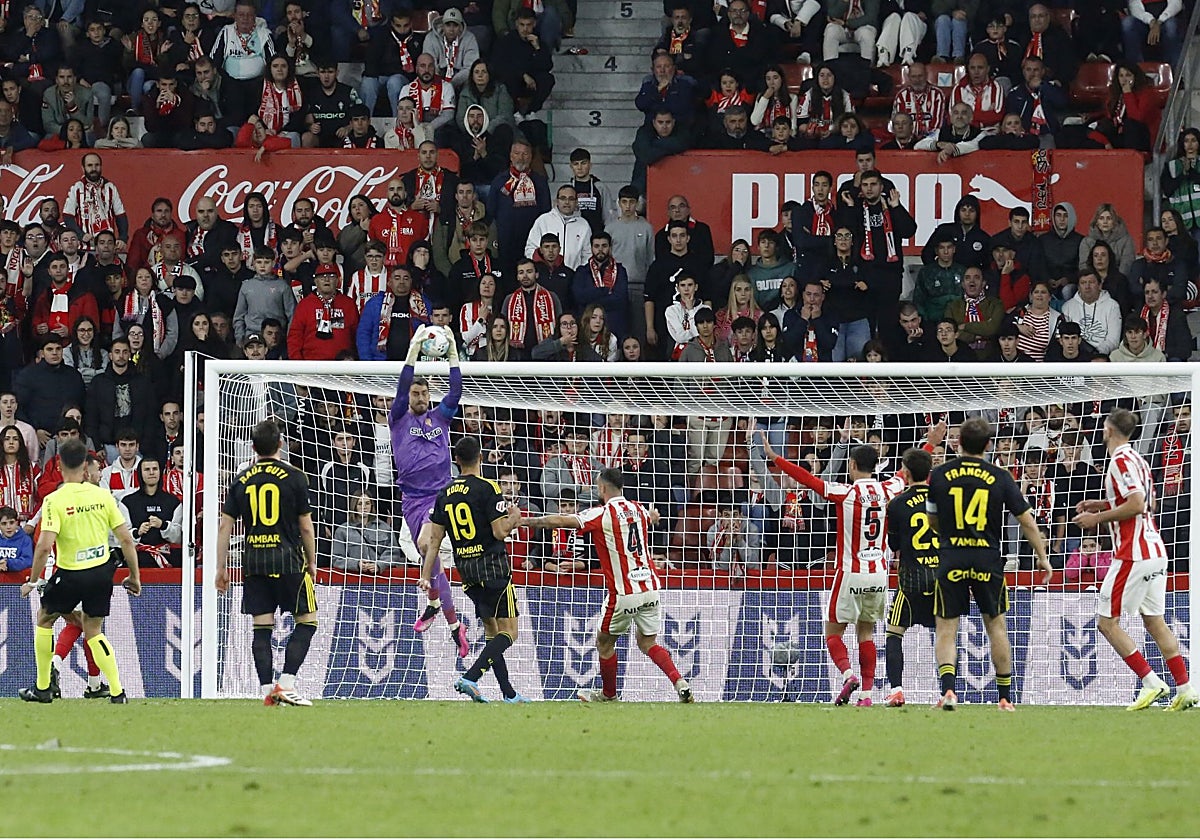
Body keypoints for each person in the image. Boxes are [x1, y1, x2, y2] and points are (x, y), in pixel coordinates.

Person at [763, 424, 942, 706]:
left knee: (833, 633)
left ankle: (848, 675)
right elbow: (908, 472)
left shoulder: (844, 492)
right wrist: (929, 444)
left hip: (850, 573)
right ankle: (867, 695)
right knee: (867, 632)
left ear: (853, 465)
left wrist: (776, 458)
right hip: (878, 575)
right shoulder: (888, 488)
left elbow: (808, 480)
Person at [525, 467, 694, 703]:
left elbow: (561, 519)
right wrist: (654, 517)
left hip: (624, 592)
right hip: (651, 586)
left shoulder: (601, 513)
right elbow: (651, 517)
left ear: (602, 488)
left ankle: (609, 694)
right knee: (648, 643)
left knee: (604, 644)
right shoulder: (638, 508)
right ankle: (679, 681)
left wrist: (523, 520)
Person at [1071, 407, 1196, 711]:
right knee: (1154, 621)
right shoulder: (1139, 459)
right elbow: (1148, 500)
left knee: (1106, 623)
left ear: (1108, 430)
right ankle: (1187, 688)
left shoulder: (1120, 460)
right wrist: (1101, 502)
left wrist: (1096, 516)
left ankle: (1151, 682)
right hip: (1155, 551)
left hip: (1133, 553)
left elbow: (1138, 504)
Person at [927, 416, 1051, 711]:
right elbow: (1027, 521)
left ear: (958, 443)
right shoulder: (1000, 476)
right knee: (996, 626)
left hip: (952, 556)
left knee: (946, 627)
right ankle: (1005, 698)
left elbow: (932, 520)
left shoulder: (941, 474)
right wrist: (1042, 557)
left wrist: (949, 536)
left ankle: (948, 692)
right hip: (987, 558)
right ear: (988, 445)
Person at [18, 438, 140, 704]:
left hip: (71, 573)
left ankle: (42, 688)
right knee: (93, 629)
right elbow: (126, 539)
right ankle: (117, 692)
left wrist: (33, 580)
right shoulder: (102, 495)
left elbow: (43, 546)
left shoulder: (55, 499)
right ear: (86, 465)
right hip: (100, 573)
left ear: (59, 464)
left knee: (44, 618)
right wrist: (135, 576)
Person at [216, 419, 317, 707]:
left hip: (255, 563)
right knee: (307, 622)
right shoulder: (295, 477)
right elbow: (306, 527)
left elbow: (225, 527)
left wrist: (220, 568)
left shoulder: (241, 480)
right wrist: (311, 560)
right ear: (280, 444)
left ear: (252, 447)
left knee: (262, 628)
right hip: (288, 561)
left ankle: (267, 691)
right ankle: (285, 683)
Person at [421, 436, 524, 702]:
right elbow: (500, 532)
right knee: (509, 632)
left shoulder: (444, 493)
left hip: (466, 570)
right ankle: (471, 677)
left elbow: (434, 541)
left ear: (456, 461)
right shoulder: (489, 487)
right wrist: (515, 518)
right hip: (493, 568)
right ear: (480, 458)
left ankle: (509, 694)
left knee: (492, 633)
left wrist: (424, 574)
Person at [392, 326, 469, 658]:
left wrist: (452, 350)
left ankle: (438, 607)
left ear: (429, 395)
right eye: (415, 394)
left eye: (424, 394)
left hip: (441, 496)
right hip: (412, 499)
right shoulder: (398, 417)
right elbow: (402, 379)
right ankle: (449, 619)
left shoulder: (441, 417)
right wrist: (413, 348)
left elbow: (457, 390)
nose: (420, 398)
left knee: (427, 545)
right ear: (409, 397)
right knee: (430, 558)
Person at [883, 447, 938, 707]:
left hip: (911, 580)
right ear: (930, 471)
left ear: (905, 472)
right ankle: (947, 691)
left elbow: (893, 545)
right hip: (940, 578)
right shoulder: (944, 499)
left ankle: (896, 690)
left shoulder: (897, 504)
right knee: (946, 635)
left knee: (894, 633)